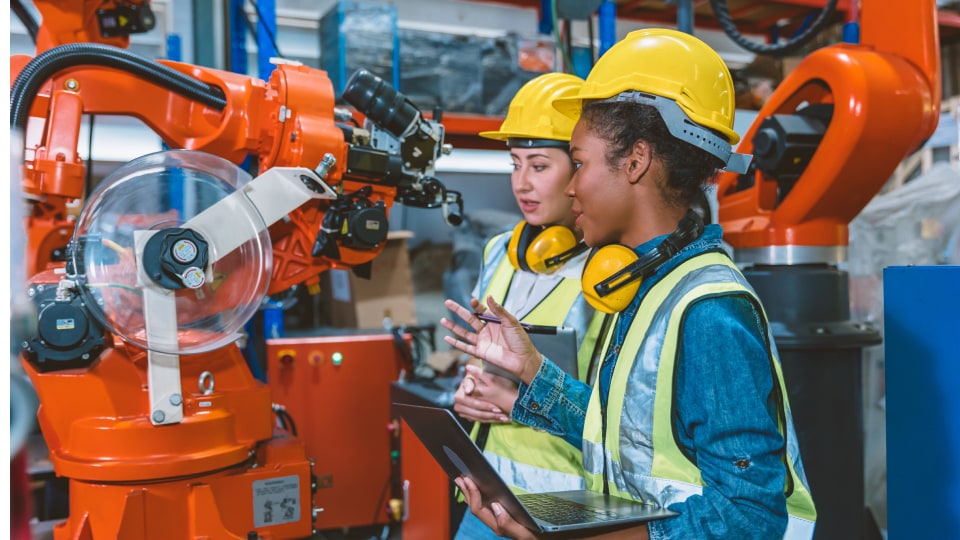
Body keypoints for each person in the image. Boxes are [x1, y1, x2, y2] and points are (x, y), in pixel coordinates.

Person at [441, 28, 817, 540]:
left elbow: (748, 516)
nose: (570, 185)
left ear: (636, 161)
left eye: (577, 162)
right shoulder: (644, 288)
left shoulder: (708, 311)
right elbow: (624, 440)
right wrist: (532, 371)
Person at [450, 72, 607, 540]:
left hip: (564, 504)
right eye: (515, 163)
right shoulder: (500, 251)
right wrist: (469, 392)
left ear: (580, 169)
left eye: (539, 165)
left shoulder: (608, 272)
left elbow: (624, 420)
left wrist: (518, 403)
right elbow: (484, 361)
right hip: (485, 492)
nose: (521, 183)